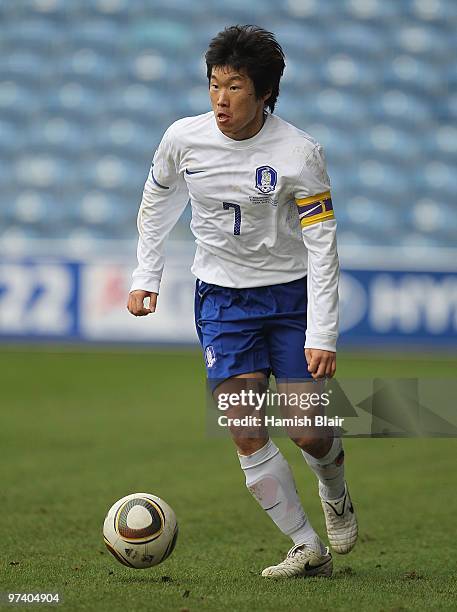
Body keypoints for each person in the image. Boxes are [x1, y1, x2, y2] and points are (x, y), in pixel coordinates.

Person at [127, 24, 357, 578]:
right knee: (247, 429)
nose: (221, 99)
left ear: (263, 93)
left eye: (234, 86)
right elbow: (157, 199)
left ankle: (336, 492)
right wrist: (146, 273)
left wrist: (322, 332)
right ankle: (306, 547)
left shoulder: (300, 153)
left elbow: (323, 246)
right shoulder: (183, 139)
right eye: (213, 85)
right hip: (223, 303)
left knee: (308, 429)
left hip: (289, 300)